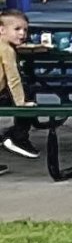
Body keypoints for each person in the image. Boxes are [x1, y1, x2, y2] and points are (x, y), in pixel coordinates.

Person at [0, 9, 35, 165]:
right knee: (28, 91)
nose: (22, 34)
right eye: (17, 29)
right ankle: (17, 136)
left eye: (25, 30)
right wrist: (21, 103)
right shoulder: (6, 49)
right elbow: (13, 78)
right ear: (2, 30)